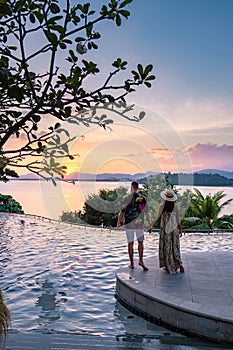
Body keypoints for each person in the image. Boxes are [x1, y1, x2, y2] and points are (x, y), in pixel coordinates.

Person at [148, 189, 185, 274]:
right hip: (174, 228)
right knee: (175, 247)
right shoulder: (176, 206)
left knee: (167, 247)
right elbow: (178, 219)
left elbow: (157, 218)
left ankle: (168, 265)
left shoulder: (162, 206)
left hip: (165, 229)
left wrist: (151, 226)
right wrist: (180, 229)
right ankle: (179, 264)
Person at [117, 181, 151, 271]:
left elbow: (122, 212)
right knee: (140, 242)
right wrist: (150, 224)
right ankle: (141, 260)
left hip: (129, 224)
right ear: (138, 188)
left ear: (131, 188)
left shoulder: (126, 198)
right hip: (139, 224)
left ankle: (132, 263)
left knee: (130, 243)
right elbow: (147, 213)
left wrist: (118, 222)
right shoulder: (142, 198)